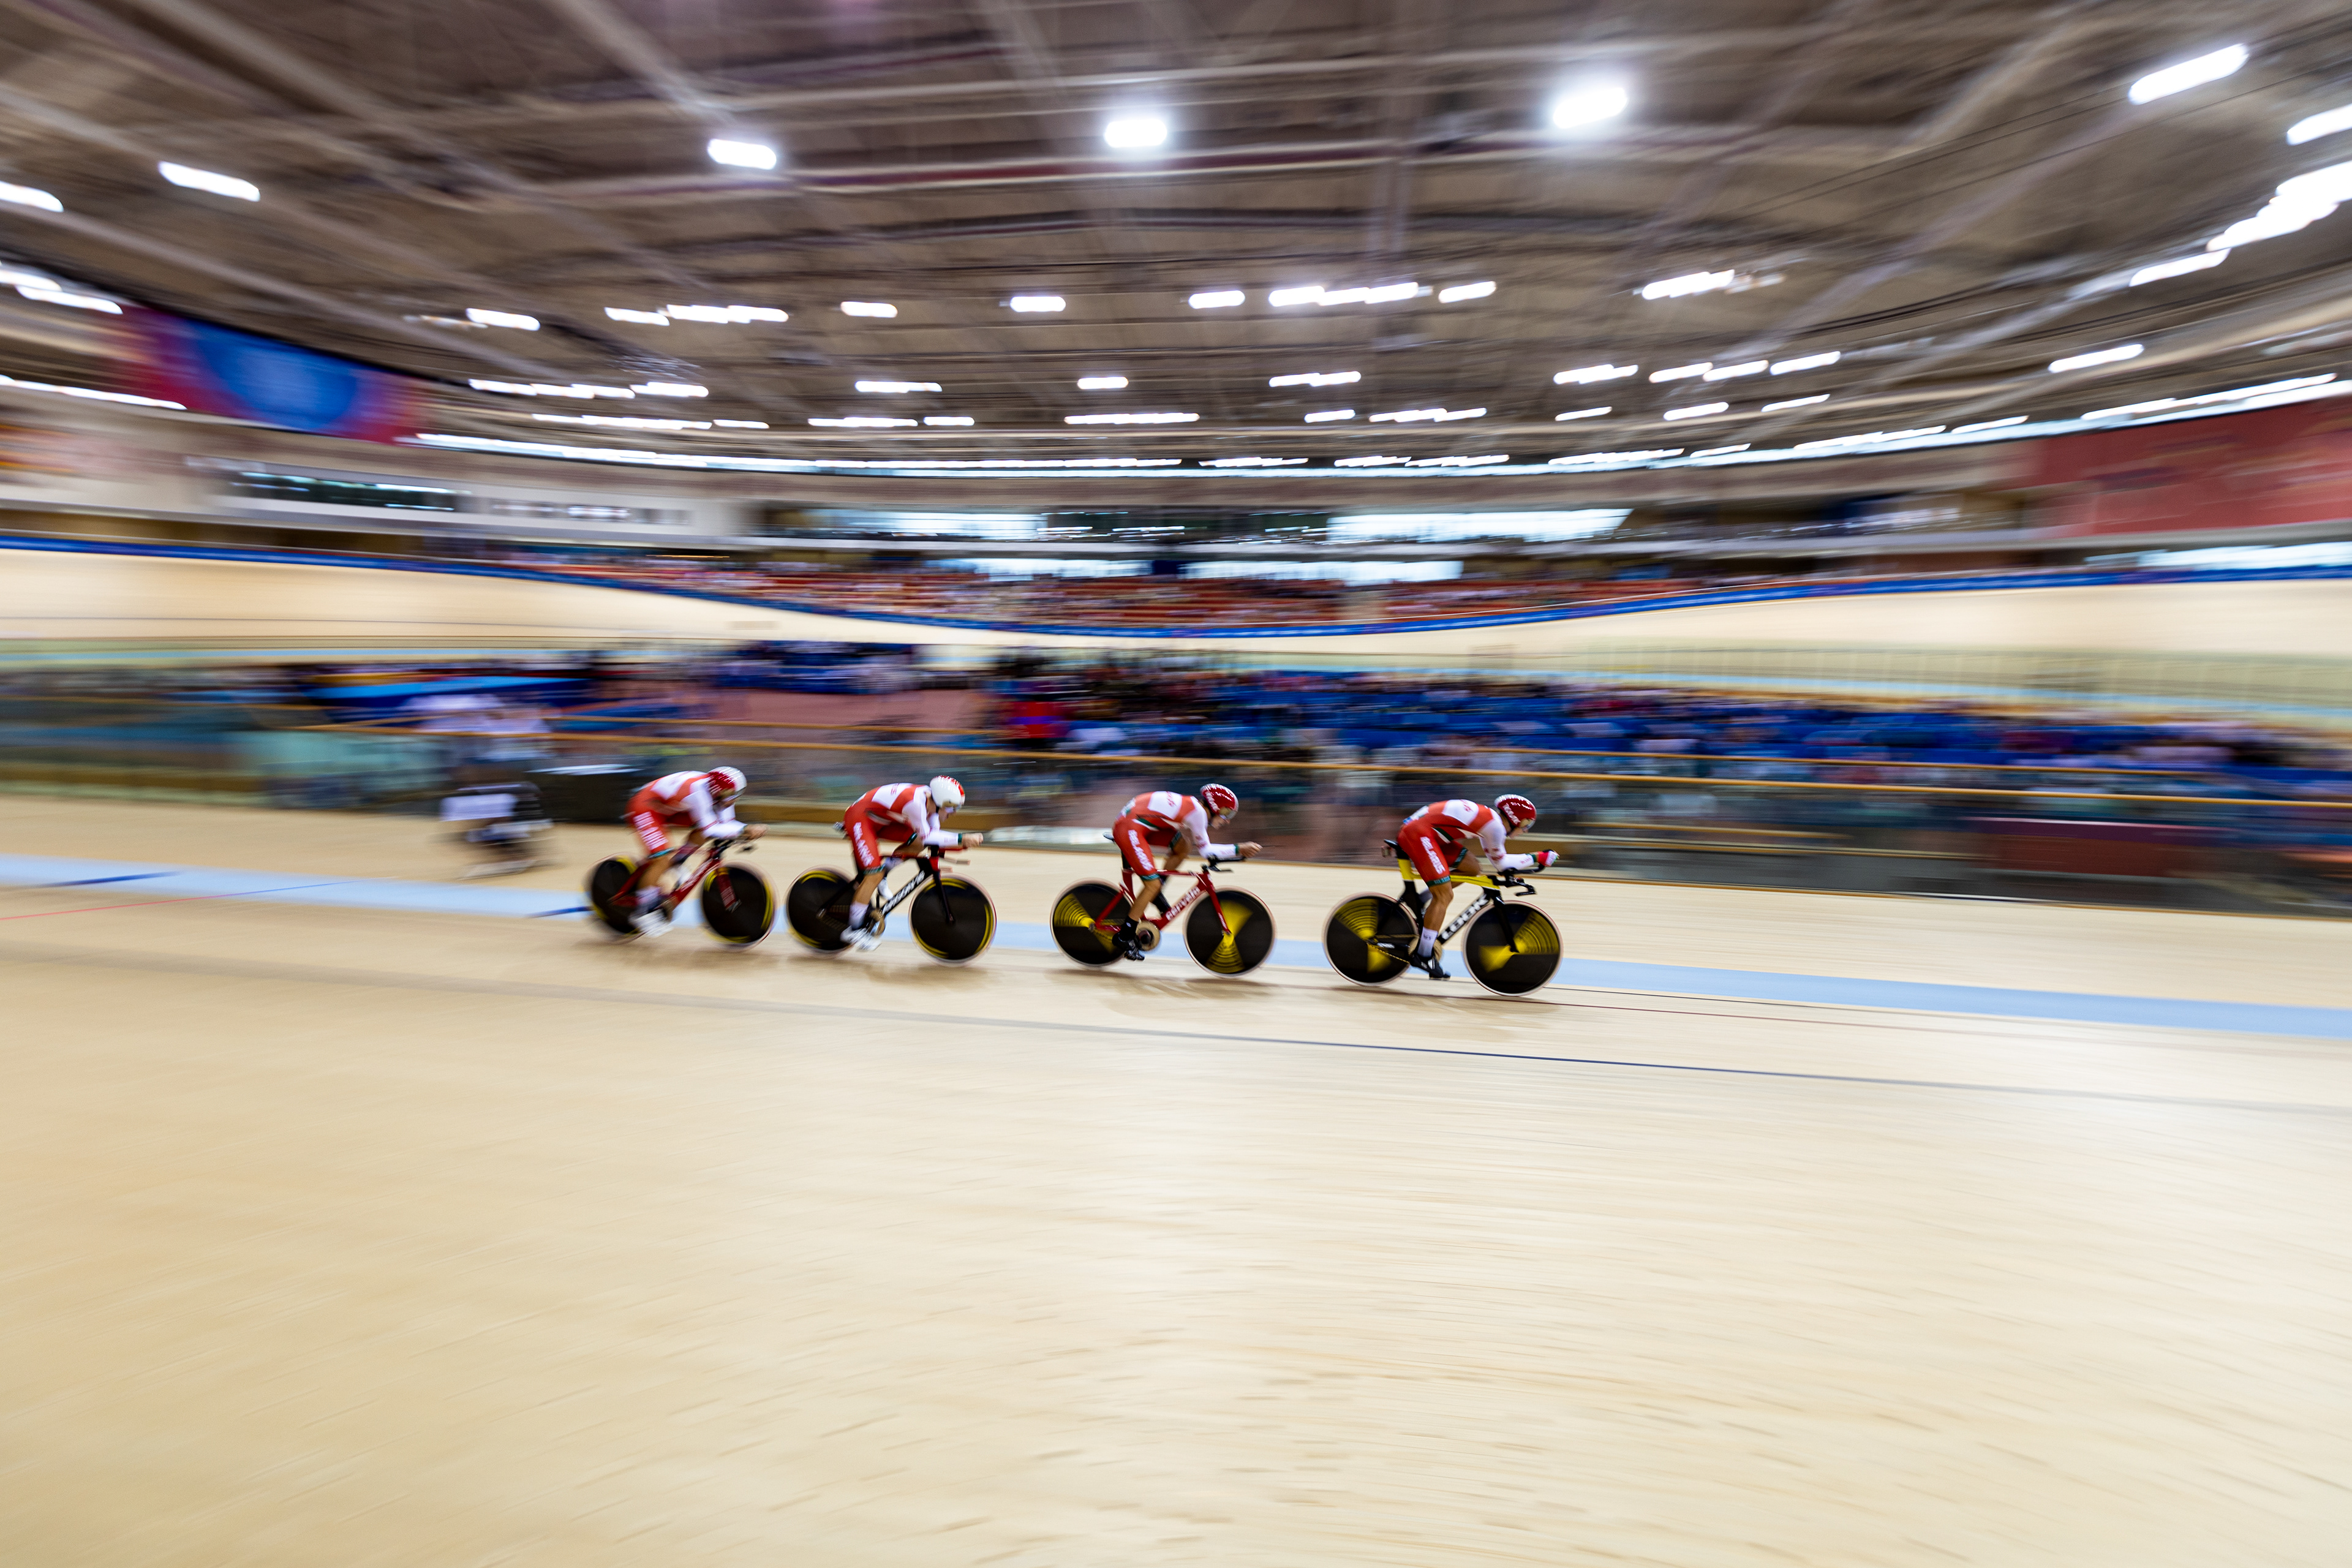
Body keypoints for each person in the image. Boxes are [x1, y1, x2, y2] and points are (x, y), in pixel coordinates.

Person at [1392, 793, 1557, 979]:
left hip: (1424, 831)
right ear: (1514, 818)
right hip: (1419, 833)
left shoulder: (1491, 823)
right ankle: (1423, 954)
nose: (1526, 830)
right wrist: (1538, 857)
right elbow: (1502, 864)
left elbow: (1498, 862)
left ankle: (1422, 899)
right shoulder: (1494, 827)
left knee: (1472, 868)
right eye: (1526, 824)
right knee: (1444, 896)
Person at [1107, 783, 1261, 960]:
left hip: (1139, 821)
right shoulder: (1199, 813)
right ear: (1215, 806)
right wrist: (1239, 849)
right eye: (1227, 813)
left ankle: (1156, 893)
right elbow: (1207, 852)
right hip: (1131, 827)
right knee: (1152, 884)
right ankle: (1124, 935)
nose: (1227, 820)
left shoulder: (1195, 807)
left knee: (1183, 847)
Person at [840, 776, 982, 950]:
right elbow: (929, 836)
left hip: (880, 818)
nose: (954, 813)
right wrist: (962, 838)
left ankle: (883, 873)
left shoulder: (931, 806)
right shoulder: (915, 804)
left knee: (918, 843)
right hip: (860, 818)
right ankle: (854, 929)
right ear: (939, 802)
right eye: (952, 807)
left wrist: (960, 845)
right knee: (874, 874)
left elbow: (932, 837)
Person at [622, 765, 762, 935]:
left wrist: (744, 830)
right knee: (661, 860)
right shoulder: (699, 792)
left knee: (708, 826)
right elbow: (712, 829)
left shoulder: (720, 793)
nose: (734, 799)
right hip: (646, 807)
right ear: (718, 790)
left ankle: (678, 861)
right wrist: (745, 830)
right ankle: (643, 912)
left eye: (738, 795)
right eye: (732, 795)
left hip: (669, 807)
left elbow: (726, 823)